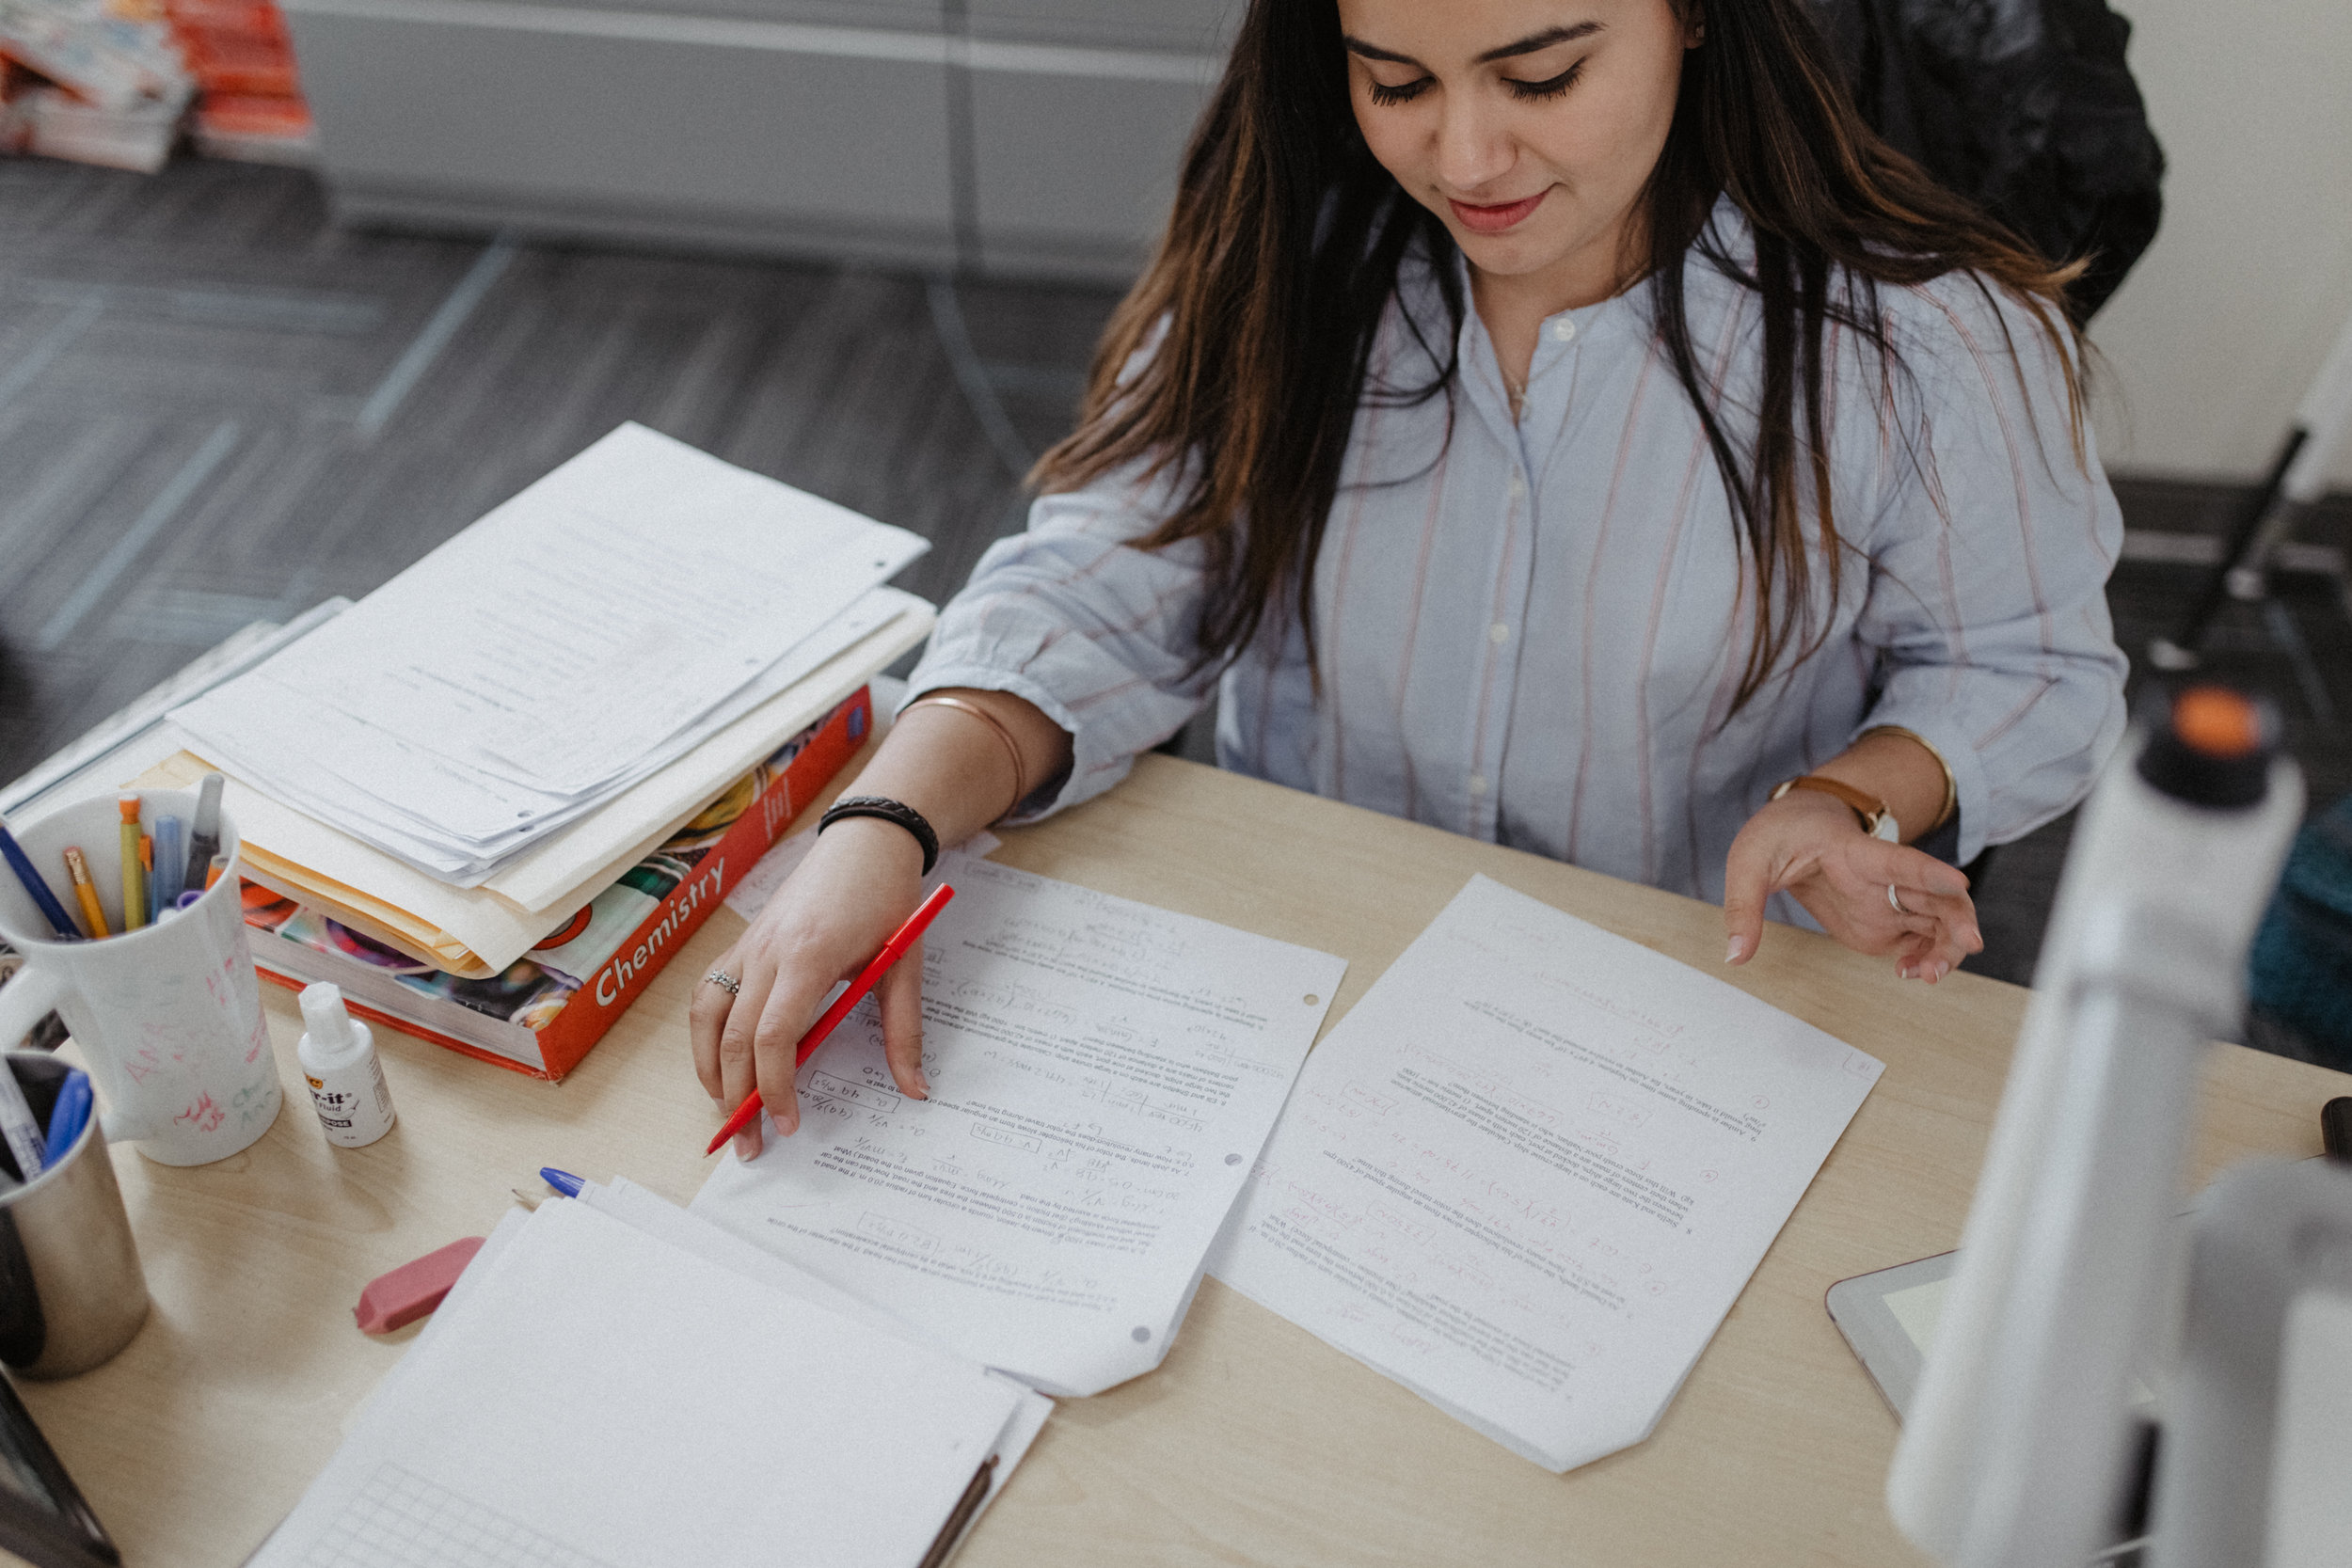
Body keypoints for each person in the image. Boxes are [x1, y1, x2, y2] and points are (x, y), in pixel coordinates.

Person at [691, 0, 2128, 1158]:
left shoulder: (1932, 342)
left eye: (1542, 75)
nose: (1467, 160)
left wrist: (1847, 796)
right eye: (1395, 82)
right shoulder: (1295, 263)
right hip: (1298, 998)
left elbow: (2028, 668)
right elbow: (1102, 585)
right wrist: (879, 831)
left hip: (1671, 1028)